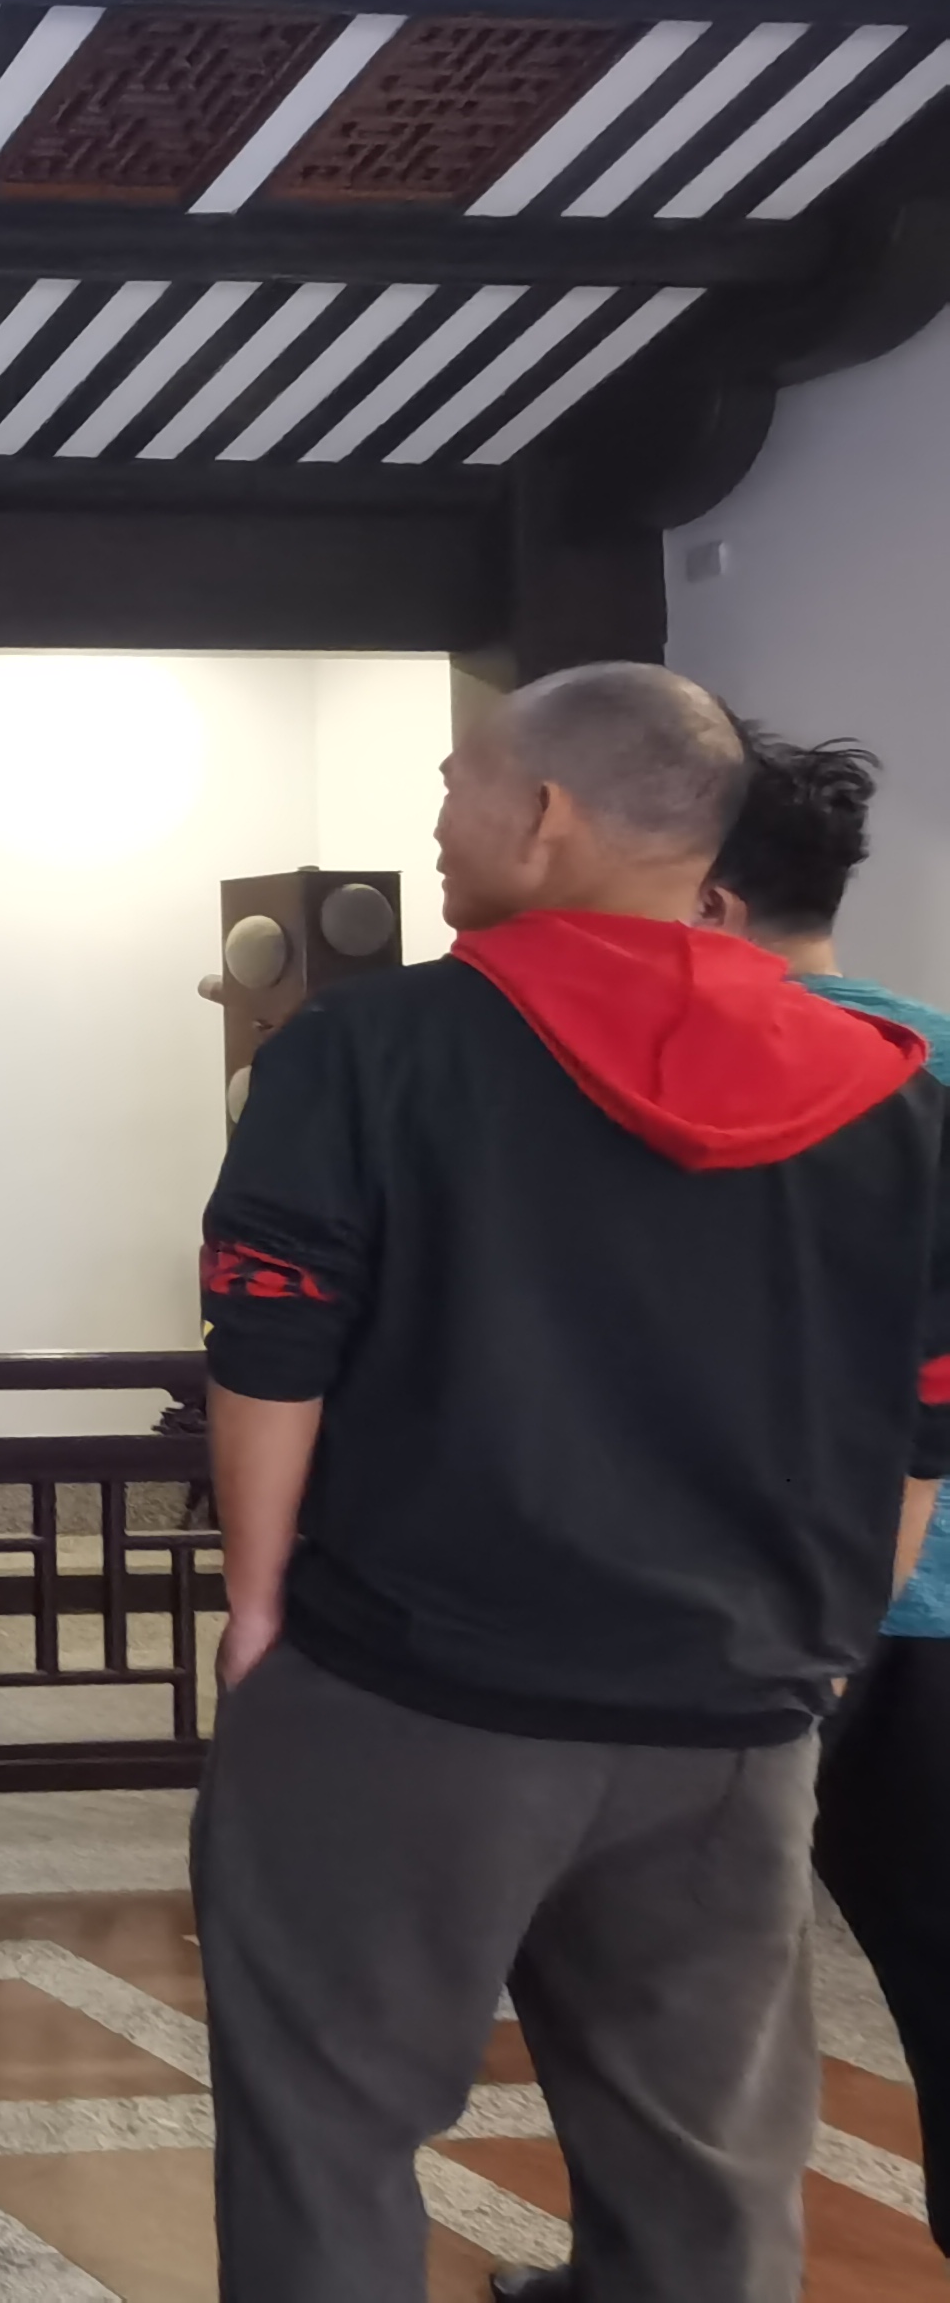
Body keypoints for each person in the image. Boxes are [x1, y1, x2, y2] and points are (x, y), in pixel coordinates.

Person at [196, 665, 950, 2303]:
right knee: (704, 2173)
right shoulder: (894, 1095)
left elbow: (272, 1340)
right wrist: (830, 1644)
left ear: (542, 814)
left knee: (328, 2125)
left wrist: (256, 1604)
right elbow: (928, 1420)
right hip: (733, 1718)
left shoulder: (368, 1047)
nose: (439, 817)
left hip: (409, 1686)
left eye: (457, 782)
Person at [494, 735, 950, 2302]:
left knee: (659, 1978)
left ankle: (651, 2271)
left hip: (726, 1614)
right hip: (930, 1606)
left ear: (710, 897)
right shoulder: (940, 1061)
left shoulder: (654, 1078)